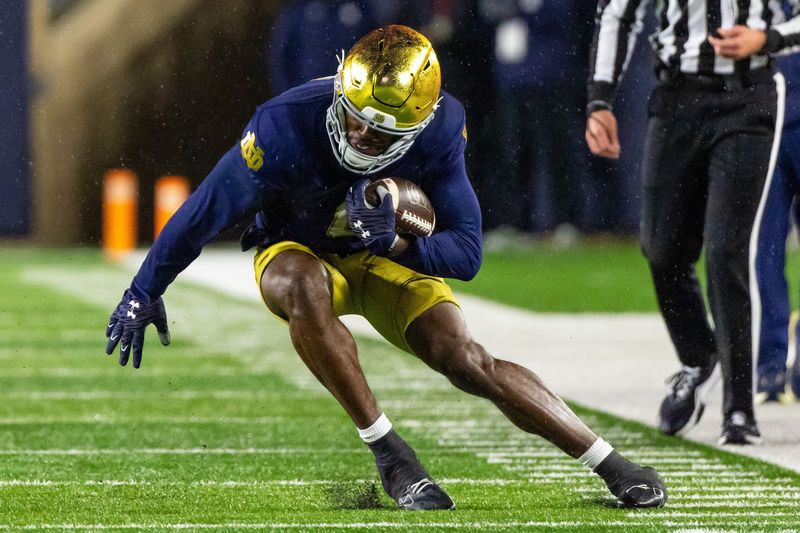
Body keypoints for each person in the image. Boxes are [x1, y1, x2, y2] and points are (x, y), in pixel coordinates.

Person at [105, 25, 666, 510]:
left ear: (416, 129)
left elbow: (467, 253)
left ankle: (608, 462)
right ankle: (390, 454)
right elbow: (207, 208)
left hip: (383, 256)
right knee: (300, 284)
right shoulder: (284, 126)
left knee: (465, 359)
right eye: (352, 117)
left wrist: (400, 244)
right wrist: (144, 288)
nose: (358, 135)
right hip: (298, 251)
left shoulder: (442, 130)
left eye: (379, 131)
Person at [586, 1, 800, 445]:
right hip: (676, 96)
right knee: (662, 250)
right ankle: (699, 356)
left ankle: (739, 407)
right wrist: (600, 98)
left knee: (728, 252)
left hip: (749, 95)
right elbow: (617, 13)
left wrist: (769, 38)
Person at [755, 49, 800, 403]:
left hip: (770, 112)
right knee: (764, 250)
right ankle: (770, 363)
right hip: (766, 118)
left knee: (765, 251)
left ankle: (776, 367)